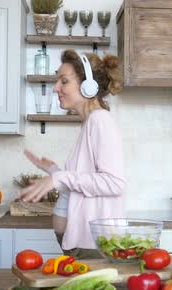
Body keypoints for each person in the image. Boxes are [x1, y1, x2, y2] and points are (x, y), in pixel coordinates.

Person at [20, 50, 124, 259]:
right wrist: (53, 171)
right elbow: (82, 182)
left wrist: (59, 177)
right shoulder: (90, 122)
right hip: (81, 243)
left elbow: (114, 183)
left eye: (64, 81)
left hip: (92, 245)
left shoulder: (100, 121)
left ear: (88, 86)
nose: (56, 88)